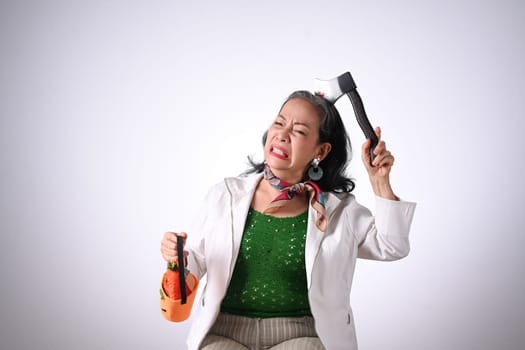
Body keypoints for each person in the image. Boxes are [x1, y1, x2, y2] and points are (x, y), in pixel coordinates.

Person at [160, 90, 416, 350]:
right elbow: (197, 257)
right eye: (280, 123)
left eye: (300, 131)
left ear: (321, 151)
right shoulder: (225, 195)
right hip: (224, 330)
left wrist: (380, 181)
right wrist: (179, 258)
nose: (282, 134)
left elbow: (391, 246)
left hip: (302, 333)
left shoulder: (339, 212)